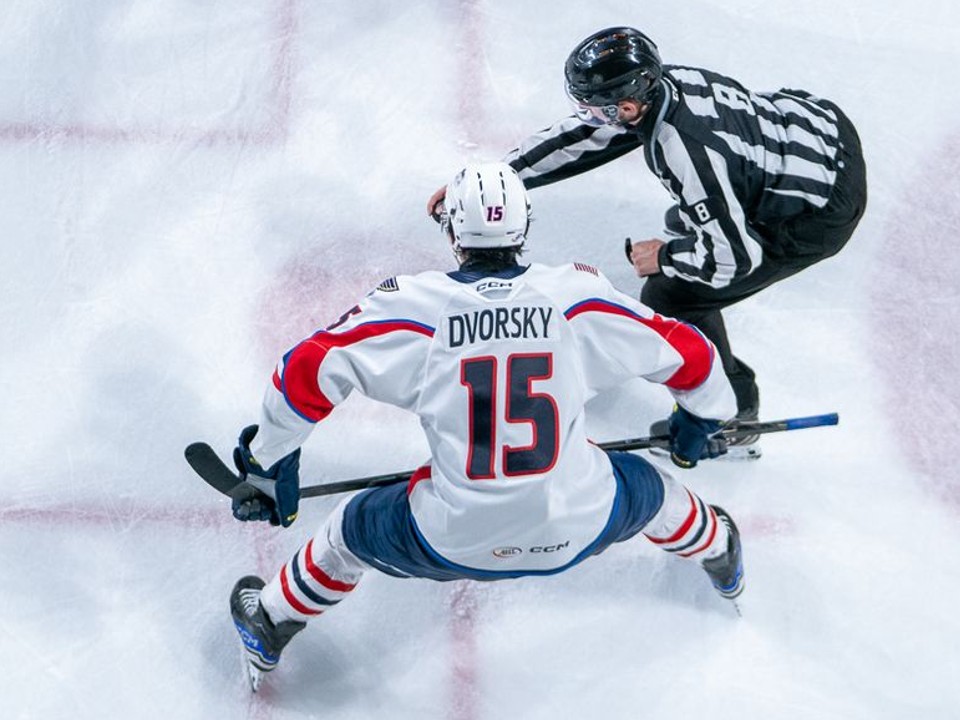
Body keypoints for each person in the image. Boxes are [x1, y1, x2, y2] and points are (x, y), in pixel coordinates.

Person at [228, 162, 742, 692]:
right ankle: (721, 552)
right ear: (524, 225)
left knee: (346, 534)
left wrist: (272, 463)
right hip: (584, 524)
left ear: (452, 230)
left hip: (449, 540)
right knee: (656, 492)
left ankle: (269, 621)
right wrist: (701, 420)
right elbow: (692, 354)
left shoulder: (410, 308)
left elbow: (305, 371)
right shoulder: (578, 296)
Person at [427, 27, 867, 459]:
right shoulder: (667, 84)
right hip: (816, 128)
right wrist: (495, 179)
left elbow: (734, 260)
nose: (593, 118)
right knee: (692, 217)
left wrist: (665, 256)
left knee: (671, 293)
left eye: (601, 110)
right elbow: (584, 137)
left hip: (820, 210)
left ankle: (731, 410)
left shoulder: (686, 153)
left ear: (630, 105)